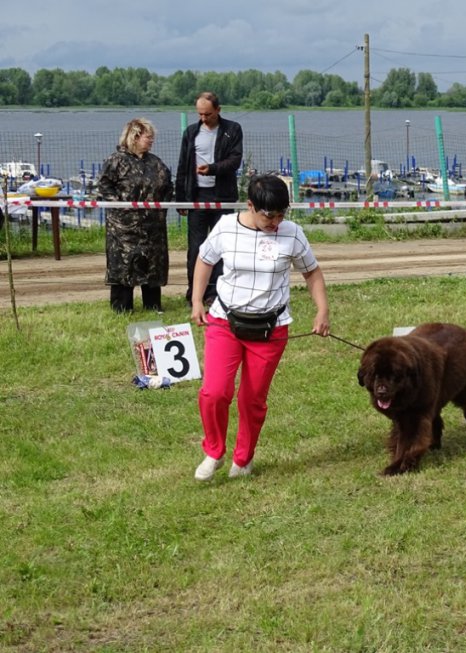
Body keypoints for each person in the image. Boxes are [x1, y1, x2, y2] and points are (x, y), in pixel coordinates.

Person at [191, 173, 330, 481]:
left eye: (282, 214)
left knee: (252, 400)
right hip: (225, 321)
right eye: (269, 215)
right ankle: (214, 450)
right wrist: (197, 301)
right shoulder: (226, 227)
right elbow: (204, 260)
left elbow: (312, 273)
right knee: (215, 392)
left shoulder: (292, 234)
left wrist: (322, 310)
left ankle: (244, 458)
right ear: (250, 205)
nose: (276, 221)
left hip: (270, 329)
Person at [96, 118, 173, 313]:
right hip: (124, 229)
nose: (151, 140)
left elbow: (167, 188)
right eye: (148, 137)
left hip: (153, 227)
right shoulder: (116, 161)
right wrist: (122, 209)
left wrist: (161, 210)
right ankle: (122, 308)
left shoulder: (156, 163)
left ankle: (153, 306)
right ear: (135, 137)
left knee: (153, 267)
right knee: (124, 267)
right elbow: (104, 187)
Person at [175, 91, 243, 308]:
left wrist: (212, 169)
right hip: (196, 197)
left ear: (218, 110)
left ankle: (216, 292)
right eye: (200, 114)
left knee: (222, 247)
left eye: (208, 114)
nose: (203, 118)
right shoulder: (191, 132)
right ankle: (194, 291)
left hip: (223, 196)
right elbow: (182, 166)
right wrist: (181, 199)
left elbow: (235, 161)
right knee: (196, 247)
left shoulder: (232, 130)